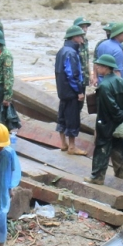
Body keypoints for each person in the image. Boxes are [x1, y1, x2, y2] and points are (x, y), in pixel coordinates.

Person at [89, 54, 123, 183]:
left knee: (102, 148)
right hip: (119, 122)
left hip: (106, 122)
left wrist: (119, 116)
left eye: (98, 66)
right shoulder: (122, 82)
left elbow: (110, 106)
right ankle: (120, 173)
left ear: (105, 67)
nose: (96, 68)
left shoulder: (104, 86)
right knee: (118, 146)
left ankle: (97, 177)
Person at [54, 25, 87, 155]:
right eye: (81, 37)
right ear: (75, 38)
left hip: (62, 90)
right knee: (72, 117)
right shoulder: (72, 53)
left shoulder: (61, 51)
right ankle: (72, 146)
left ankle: (63, 143)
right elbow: (72, 74)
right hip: (71, 91)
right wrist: (79, 91)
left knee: (62, 116)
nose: (82, 40)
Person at [75, 17, 94, 93]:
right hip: (77, 78)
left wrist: (90, 75)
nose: (85, 29)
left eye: (86, 27)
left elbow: (87, 59)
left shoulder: (85, 41)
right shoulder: (74, 42)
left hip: (84, 77)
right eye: (82, 27)